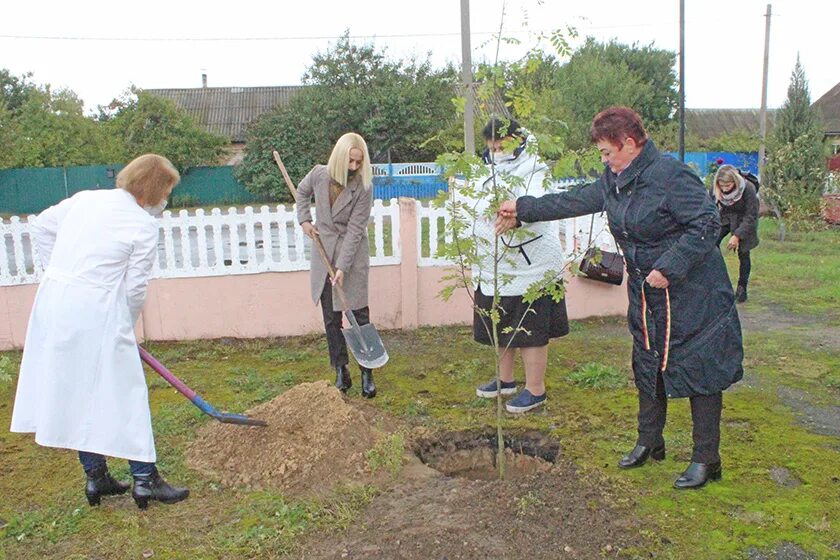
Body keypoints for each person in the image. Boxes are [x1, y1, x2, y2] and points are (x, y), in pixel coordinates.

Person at [497, 107, 744, 489]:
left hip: (693, 290)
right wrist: (524, 208)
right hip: (648, 292)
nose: (604, 160)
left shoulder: (669, 175)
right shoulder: (616, 180)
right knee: (647, 363)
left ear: (629, 143)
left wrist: (670, 266)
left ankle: (706, 458)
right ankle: (649, 441)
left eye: (606, 152)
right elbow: (576, 200)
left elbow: (707, 223)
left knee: (701, 368)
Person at [10, 154, 190, 509]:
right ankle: (144, 479)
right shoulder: (142, 225)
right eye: (166, 190)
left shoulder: (84, 199)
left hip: (55, 304)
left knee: (77, 390)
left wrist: (61, 273)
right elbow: (136, 288)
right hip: (97, 310)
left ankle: (96, 477)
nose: (165, 199)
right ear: (154, 189)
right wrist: (121, 324)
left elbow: (41, 227)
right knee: (125, 392)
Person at [466, 118, 569, 413]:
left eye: (501, 144)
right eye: (492, 146)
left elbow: (539, 204)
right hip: (496, 262)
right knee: (500, 320)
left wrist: (517, 216)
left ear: (516, 139)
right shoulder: (484, 168)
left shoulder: (534, 168)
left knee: (530, 324)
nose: (496, 150)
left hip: (531, 262)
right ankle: (504, 380)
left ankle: (535, 390)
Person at [297, 132, 377, 398]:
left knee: (358, 314)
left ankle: (367, 369)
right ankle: (341, 370)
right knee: (332, 318)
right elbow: (301, 191)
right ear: (340, 158)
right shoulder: (319, 175)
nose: (354, 167)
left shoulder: (364, 186)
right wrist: (305, 220)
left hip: (351, 254)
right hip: (323, 249)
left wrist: (342, 266)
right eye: (350, 162)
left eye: (359, 162)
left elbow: (356, 228)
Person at [713, 164, 759, 303]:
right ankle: (717, 284)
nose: (725, 189)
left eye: (728, 185)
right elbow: (709, 209)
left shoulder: (748, 188)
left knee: (744, 253)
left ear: (735, 181)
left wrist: (737, 235)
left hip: (745, 219)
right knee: (711, 244)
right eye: (722, 186)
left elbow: (751, 216)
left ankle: (741, 287)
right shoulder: (715, 190)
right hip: (725, 218)